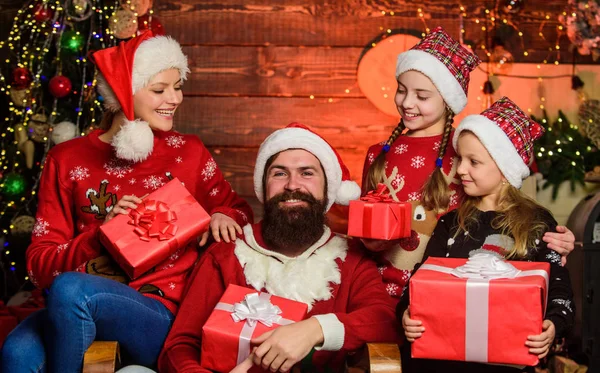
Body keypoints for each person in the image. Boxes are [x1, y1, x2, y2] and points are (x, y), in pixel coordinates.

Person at [0, 31, 253, 372]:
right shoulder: (67, 159)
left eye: (178, 86)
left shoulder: (188, 152)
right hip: (71, 305)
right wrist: (99, 235)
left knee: (73, 290)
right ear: (124, 93)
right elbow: (39, 267)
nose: (175, 98)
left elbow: (240, 209)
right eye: (160, 90)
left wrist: (224, 213)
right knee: (17, 353)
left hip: (157, 313)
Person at [158, 123, 400, 373]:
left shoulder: (352, 258)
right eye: (279, 173)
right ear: (263, 186)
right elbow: (180, 345)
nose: (293, 185)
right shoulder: (226, 253)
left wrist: (315, 329)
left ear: (327, 188)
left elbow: (383, 320)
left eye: (307, 173)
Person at [359, 27, 575, 298]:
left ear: (448, 100)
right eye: (401, 91)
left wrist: (556, 242)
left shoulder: (468, 156)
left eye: (422, 96)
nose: (407, 103)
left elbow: (508, 213)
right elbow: (361, 230)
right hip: (378, 294)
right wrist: (366, 239)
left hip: (449, 293)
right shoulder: (378, 154)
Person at [400, 97, 574, 373]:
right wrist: (406, 314)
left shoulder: (538, 224)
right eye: (459, 158)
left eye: (474, 162)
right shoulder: (452, 223)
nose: (460, 170)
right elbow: (421, 278)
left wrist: (552, 325)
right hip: (443, 360)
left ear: (505, 169)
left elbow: (560, 289)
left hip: (507, 362)